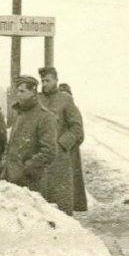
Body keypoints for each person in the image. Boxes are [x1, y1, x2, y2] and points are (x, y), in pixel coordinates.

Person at [36, 66, 84, 214]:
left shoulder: (65, 100)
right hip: (41, 156)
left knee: (61, 202)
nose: (44, 84)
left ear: (56, 81)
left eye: (48, 80)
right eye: (42, 81)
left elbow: (77, 128)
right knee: (41, 204)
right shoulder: (37, 99)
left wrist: (62, 144)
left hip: (60, 161)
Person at [2, 75, 57, 192]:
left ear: (33, 92)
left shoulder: (45, 117)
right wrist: (4, 164)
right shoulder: (20, 113)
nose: (18, 94)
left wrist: (25, 169)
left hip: (30, 183)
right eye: (18, 91)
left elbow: (49, 152)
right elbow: (11, 143)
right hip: (10, 179)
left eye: (22, 91)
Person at [58, 82, 88, 212]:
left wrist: (65, 143)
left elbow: (79, 133)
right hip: (61, 151)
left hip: (70, 152)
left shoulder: (73, 110)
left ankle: (73, 205)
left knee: (71, 181)